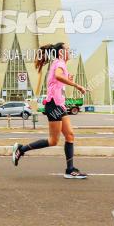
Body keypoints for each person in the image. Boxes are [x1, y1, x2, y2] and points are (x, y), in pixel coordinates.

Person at [12, 42, 88, 179]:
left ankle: (70, 169)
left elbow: (58, 79)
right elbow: (58, 76)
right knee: (53, 140)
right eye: (68, 49)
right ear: (61, 53)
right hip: (54, 105)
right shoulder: (59, 63)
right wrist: (77, 85)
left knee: (70, 135)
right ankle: (21, 149)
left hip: (59, 104)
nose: (70, 51)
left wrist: (67, 79)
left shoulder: (59, 64)